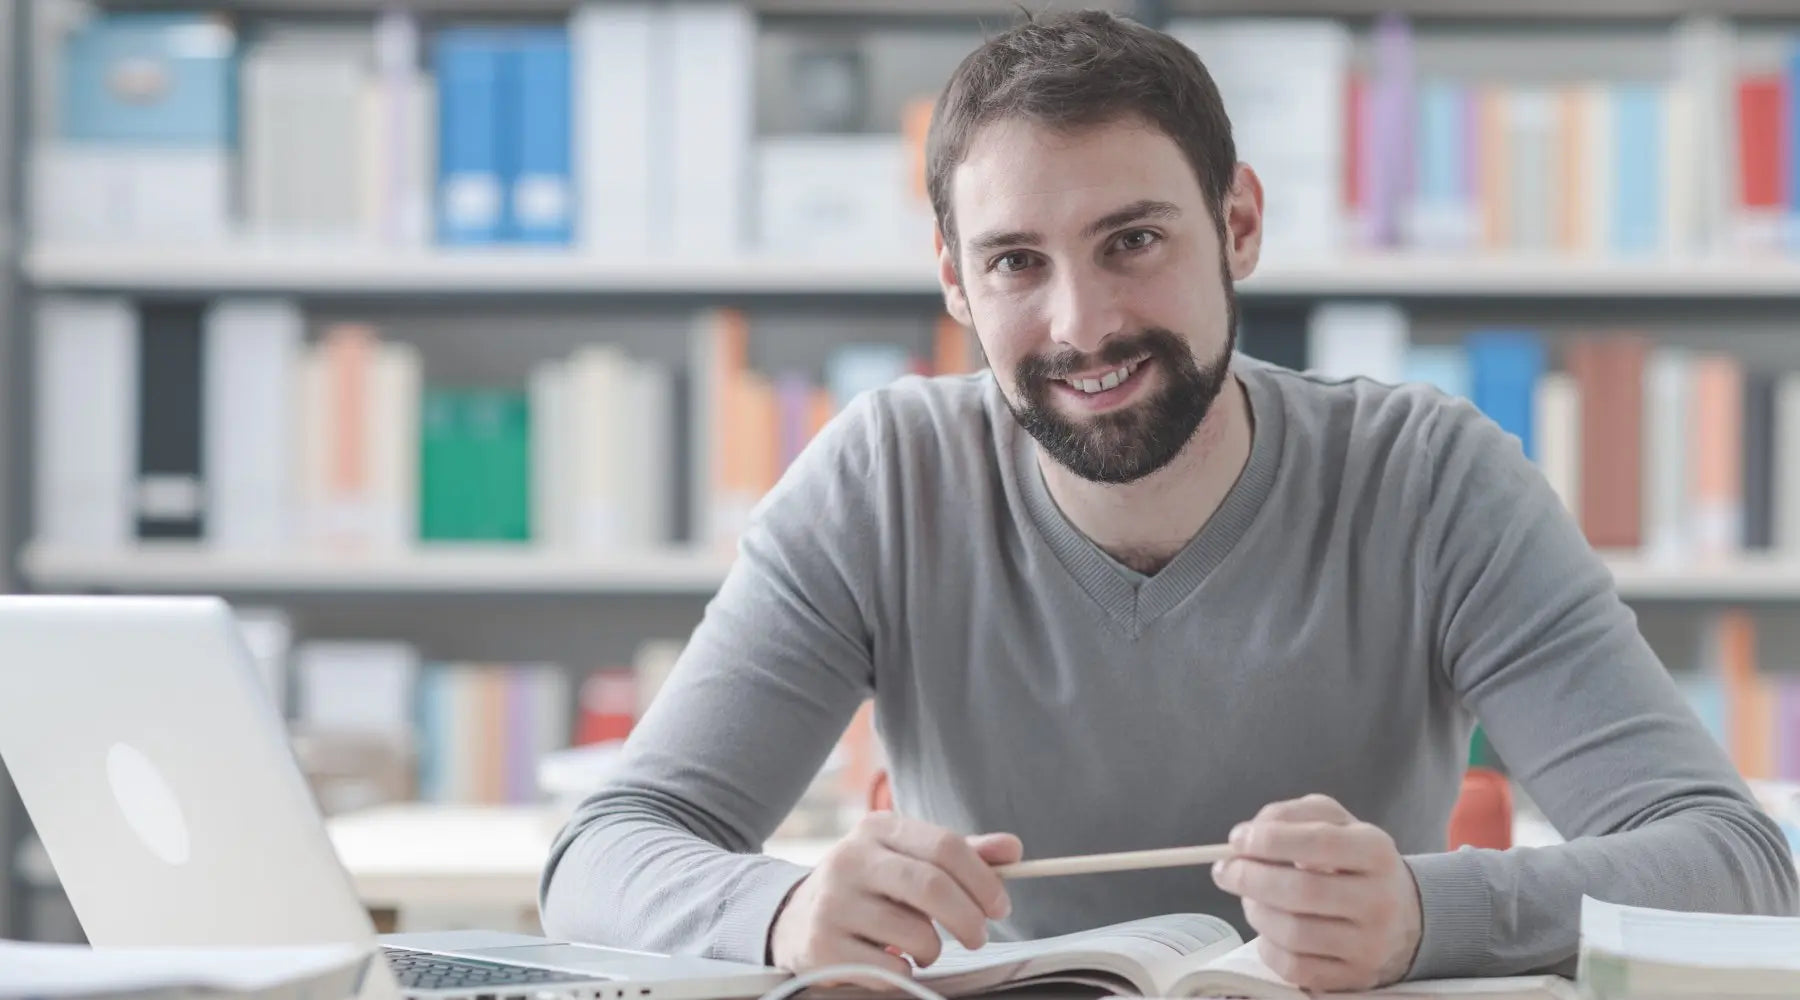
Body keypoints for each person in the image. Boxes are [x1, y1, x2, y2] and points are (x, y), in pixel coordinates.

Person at [539, 8, 1798, 992]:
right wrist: (781, 909)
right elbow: (603, 850)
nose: (1082, 324)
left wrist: (1425, 914)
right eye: (1017, 262)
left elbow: (1736, 867)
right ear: (955, 284)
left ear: (1237, 223)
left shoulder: (1433, 478)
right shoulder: (881, 479)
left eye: (1133, 239)